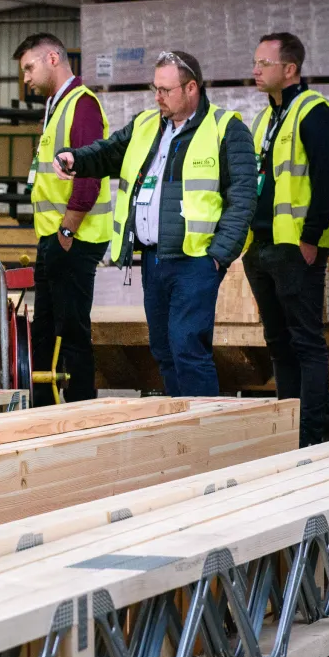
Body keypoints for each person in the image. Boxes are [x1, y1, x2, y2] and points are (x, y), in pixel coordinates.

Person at [53, 50, 257, 397]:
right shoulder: (147, 124)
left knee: (188, 348)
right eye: (155, 88)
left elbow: (243, 198)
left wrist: (218, 256)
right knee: (163, 349)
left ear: (191, 88)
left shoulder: (226, 128)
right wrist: (77, 159)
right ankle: (180, 424)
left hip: (196, 261)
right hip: (153, 259)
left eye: (166, 89)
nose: (157, 97)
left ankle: (204, 431)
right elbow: (108, 152)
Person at [246, 32, 329, 447]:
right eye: (255, 63)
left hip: (296, 248)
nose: (256, 70)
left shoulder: (314, 112)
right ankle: (287, 434)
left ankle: (311, 438)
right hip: (263, 248)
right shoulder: (264, 118)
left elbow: (328, 180)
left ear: (290, 69)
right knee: (278, 343)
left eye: (264, 64)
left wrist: (311, 238)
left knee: (306, 343)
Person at [15, 32, 111, 404]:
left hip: (73, 237)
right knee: (46, 332)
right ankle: (45, 411)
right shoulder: (58, 105)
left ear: (53, 58)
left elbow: (89, 175)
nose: (25, 78)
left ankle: (81, 410)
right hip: (55, 237)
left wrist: (67, 231)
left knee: (71, 332)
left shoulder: (81, 105)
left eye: (29, 67)